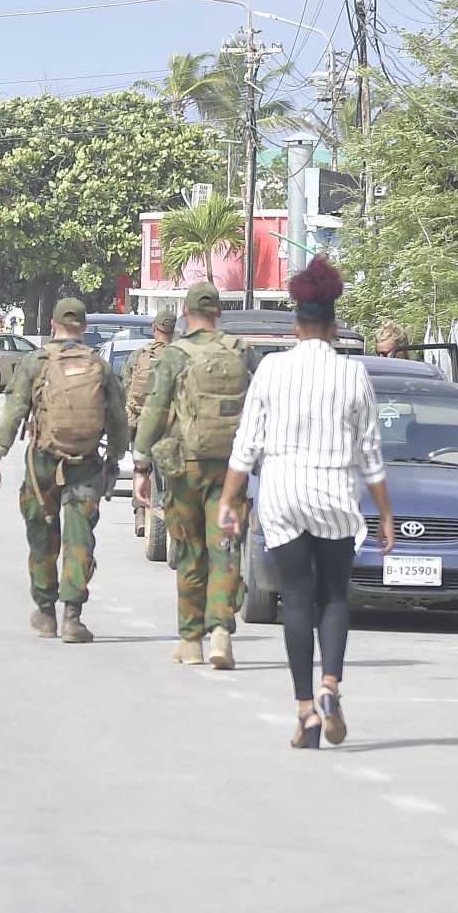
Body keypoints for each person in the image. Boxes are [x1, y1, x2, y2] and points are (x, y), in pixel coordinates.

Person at [217, 259, 395, 748]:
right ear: (334, 329)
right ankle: (330, 687)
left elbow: (245, 444)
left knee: (294, 598)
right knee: (334, 595)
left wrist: (230, 500)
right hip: (336, 493)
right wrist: (383, 512)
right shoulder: (354, 374)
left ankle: (304, 713)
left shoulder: (272, 369)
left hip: (283, 494)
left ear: (296, 326)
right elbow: (371, 454)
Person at [0, 297, 128, 643]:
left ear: (52, 324)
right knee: (79, 539)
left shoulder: (36, 362)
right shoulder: (99, 366)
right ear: (85, 327)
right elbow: (118, 421)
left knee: (42, 535)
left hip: (43, 462)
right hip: (86, 463)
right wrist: (115, 459)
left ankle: (45, 612)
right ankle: (72, 618)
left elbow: (15, 410)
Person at [134, 282, 256, 667]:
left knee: (189, 549)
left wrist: (140, 465)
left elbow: (153, 411)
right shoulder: (243, 353)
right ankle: (221, 630)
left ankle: (190, 641)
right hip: (232, 467)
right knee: (224, 548)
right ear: (219, 312)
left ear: (186, 314)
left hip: (185, 468)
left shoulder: (175, 355)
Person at [124, 308, 179, 540]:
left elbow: (126, 386)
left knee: (141, 467)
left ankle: (140, 513)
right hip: (171, 426)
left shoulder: (139, 356)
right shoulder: (181, 356)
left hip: (141, 423)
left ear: (154, 328)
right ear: (174, 331)